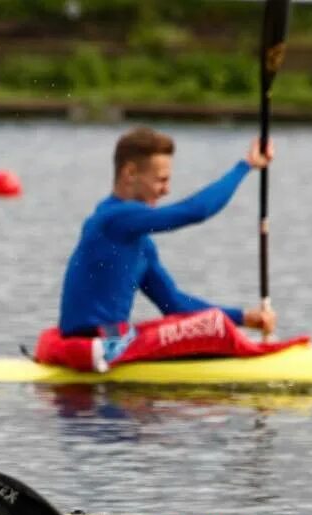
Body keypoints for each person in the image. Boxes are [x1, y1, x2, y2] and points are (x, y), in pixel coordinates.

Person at [41, 127, 279, 371]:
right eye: (161, 180)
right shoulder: (112, 219)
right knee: (212, 327)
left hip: (109, 339)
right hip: (95, 345)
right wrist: (246, 165)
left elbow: (174, 304)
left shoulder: (140, 244)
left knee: (208, 323)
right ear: (130, 173)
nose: (166, 190)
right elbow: (194, 211)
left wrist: (244, 317)